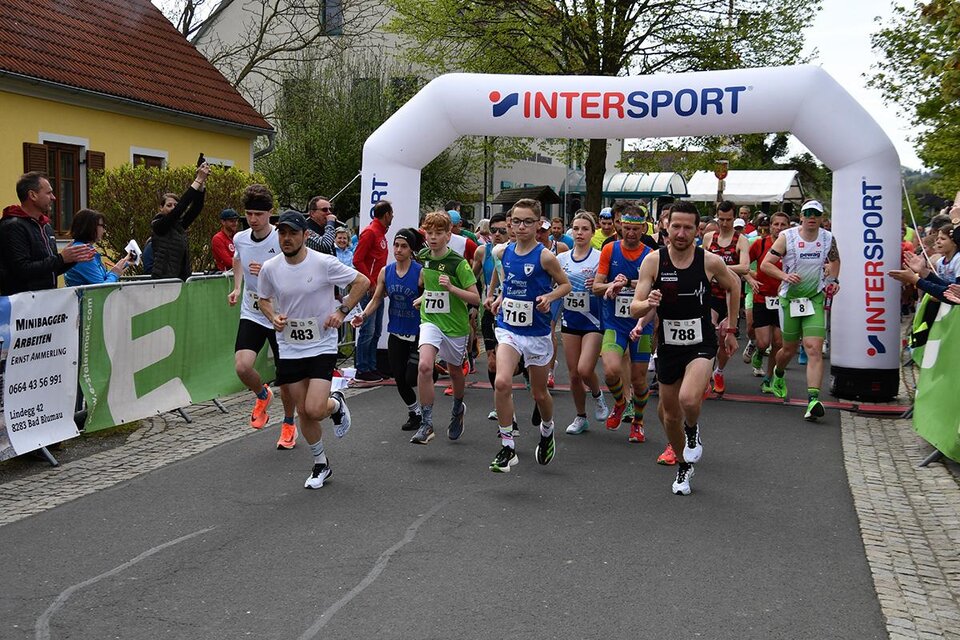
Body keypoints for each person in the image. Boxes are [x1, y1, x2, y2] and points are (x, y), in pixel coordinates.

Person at [630, 201, 741, 495]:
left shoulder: (709, 261)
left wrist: (730, 326)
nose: (680, 233)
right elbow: (634, 307)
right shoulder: (654, 261)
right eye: (675, 226)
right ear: (666, 227)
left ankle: (693, 431)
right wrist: (648, 303)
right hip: (668, 346)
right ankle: (683, 465)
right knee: (668, 415)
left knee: (689, 400)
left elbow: (735, 284)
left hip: (701, 343)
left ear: (697, 229)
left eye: (687, 227)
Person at [257, 210, 370, 489]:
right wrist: (274, 318)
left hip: (321, 343)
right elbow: (263, 300)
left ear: (305, 236)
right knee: (303, 412)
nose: (286, 238)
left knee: (315, 408)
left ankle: (336, 404)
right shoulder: (271, 267)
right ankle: (321, 464)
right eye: (282, 233)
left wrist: (342, 311)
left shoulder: (324, 263)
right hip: (290, 346)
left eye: (293, 233)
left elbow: (362, 282)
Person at [487, 198, 571, 472]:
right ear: (510, 224)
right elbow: (502, 279)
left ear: (539, 224)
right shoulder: (502, 252)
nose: (521, 227)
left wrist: (549, 296)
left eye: (528, 222)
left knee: (539, 393)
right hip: (509, 328)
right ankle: (507, 446)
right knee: (501, 382)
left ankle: (547, 430)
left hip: (536, 333)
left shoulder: (545, 256)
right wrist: (496, 296)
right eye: (516, 222)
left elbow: (565, 285)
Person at [228, 185, 299, 449]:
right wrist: (237, 287)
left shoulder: (282, 240)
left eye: (259, 213)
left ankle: (289, 423)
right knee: (242, 366)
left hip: (281, 312)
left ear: (270, 214)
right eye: (249, 213)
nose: (253, 219)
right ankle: (262, 393)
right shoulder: (240, 238)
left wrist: (268, 272)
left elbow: (294, 272)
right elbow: (238, 260)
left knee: (287, 377)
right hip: (253, 310)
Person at [760, 199, 841, 421]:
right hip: (790, 299)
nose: (812, 217)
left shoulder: (828, 238)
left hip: (814, 297)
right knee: (788, 349)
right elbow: (765, 264)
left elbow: (835, 261)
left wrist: (832, 279)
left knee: (814, 347)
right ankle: (777, 374)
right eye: (808, 213)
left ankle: (813, 400)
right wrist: (784, 276)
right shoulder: (788, 237)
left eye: (817, 213)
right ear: (802, 216)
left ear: (822, 217)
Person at [409, 211, 480, 445]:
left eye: (439, 233)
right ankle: (426, 423)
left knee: (455, 371)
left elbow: (475, 299)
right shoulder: (422, 256)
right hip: (430, 320)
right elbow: (428, 286)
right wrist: (426, 297)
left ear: (449, 235)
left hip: (455, 326)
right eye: (429, 233)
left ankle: (458, 407)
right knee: (425, 366)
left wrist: (451, 288)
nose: (433, 237)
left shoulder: (457, 263)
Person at [592, 207, 655, 443]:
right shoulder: (610, 249)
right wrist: (610, 286)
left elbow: (653, 286)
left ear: (644, 228)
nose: (630, 233)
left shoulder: (651, 255)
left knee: (639, 380)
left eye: (635, 229)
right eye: (626, 228)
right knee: (610, 370)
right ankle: (620, 402)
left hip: (642, 325)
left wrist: (628, 282)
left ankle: (638, 422)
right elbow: (596, 286)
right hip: (614, 324)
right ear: (620, 227)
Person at [352, 228, 425, 432]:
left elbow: (434, 296)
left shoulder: (421, 273)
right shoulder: (386, 272)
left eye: (403, 246)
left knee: (412, 377)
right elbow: (376, 299)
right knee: (400, 378)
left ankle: (431, 370)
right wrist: (363, 315)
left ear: (411, 250)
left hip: (418, 332)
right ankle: (415, 413)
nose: (398, 249)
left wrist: (424, 298)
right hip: (396, 331)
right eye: (396, 245)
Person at [0, 171, 94, 294]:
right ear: (32, 195)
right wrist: (61, 258)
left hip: (45, 305)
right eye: (49, 193)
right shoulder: (12, 226)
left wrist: (72, 258)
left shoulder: (46, 226)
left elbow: (49, 270)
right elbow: (22, 269)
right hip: (22, 307)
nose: (53, 197)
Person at [556, 211, 608, 434]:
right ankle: (580, 416)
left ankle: (598, 396)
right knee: (574, 374)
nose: (579, 233)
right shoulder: (561, 259)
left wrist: (597, 286)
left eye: (585, 229)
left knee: (585, 369)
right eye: (576, 228)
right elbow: (555, 288)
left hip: (594, 320)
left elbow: (608, 286)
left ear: (593, 231)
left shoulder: (600, 257)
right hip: (570, 319)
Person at [702, 200, 750, 395]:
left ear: (734, 217)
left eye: (728, 219)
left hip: (731, 296)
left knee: (725, 337)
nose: (724, 223)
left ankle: (719, 371)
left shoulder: (741, 240)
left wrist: (718, 269)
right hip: (711, 294)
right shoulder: (708, 238)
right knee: (709, 333)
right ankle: (704, 377)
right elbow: (701, 263)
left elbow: (745, 267)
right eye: (721, 219)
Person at [352, 200, 393, 383]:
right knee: (368, 329)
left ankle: (371, 366)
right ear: (386, 215)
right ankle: (362, 368)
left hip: (378, 288)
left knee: (375, 330)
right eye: (391, 214)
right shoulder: (370, 232)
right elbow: (357, 259)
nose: (392, 218)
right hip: (369, 290)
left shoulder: (380, 234)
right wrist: (369, 282)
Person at [748, 212, 788, 391]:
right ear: (770, 226)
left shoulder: (792, 246)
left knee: (778, 344)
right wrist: (751, 279)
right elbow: (743, 264)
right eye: (776, 224)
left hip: (784, 300)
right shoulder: (760, 244)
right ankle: (758, 351)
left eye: (783, 225)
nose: (779, 228)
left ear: (789, 227)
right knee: (764, 342)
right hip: (762, 297)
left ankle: (769, 378)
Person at [150, 162, 210, 280]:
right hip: (163, 278)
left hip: (180, 278)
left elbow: (196, 208)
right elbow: (180, 208)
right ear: (161, 208)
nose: (173, 208)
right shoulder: (158, 225)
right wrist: (198, 179)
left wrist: (202, 183)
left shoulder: (178, 225)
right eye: (169, 205)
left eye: (174, 205)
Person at [63, 209, 133, 286]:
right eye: (102, 226)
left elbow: (100, 278)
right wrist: (114, 274)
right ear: (90, 226)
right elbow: (102, 288)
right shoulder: (84, 253)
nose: (104, 231)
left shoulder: (82, 248)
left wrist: (123, 264)